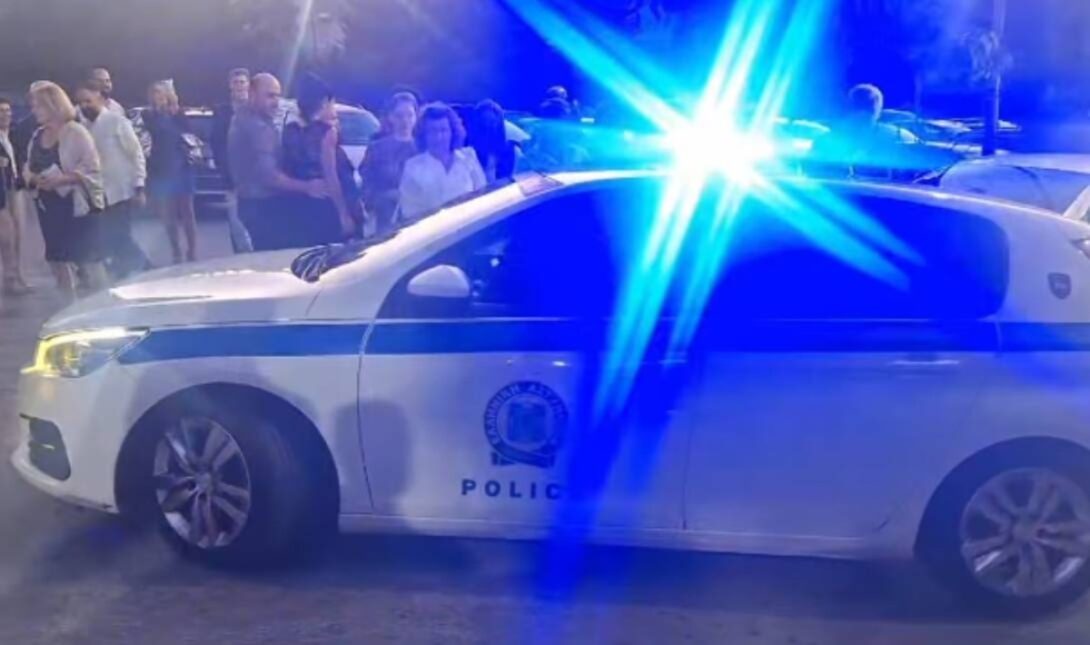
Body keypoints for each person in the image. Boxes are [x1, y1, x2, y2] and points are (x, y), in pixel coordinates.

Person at [23, 81, 107, 297]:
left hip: (77, 207)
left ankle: (102, 304)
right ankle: (68, 306)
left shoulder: (76, 132)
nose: (34, 110)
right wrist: (34, 179)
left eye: (38, 106)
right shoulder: (37, 135)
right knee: (57, 259)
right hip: (49, 208)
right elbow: (28, 166)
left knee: (87, 260)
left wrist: (63, 179)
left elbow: (92, 168)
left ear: (53, 105)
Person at [228, 72, 328, 251]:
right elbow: (270, 177)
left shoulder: (244, 118)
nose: (276, 102)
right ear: (252, 95)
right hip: (262, 207)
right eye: (270, 96)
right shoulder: (257, 127)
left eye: (278, 96)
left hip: (250, 204)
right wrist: (308, 186)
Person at [75, 81, 149, 279]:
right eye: (80, 102)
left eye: (88, 101)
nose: (84, 106)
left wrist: (139, 185)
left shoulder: (117, 121)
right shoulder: (82, 127)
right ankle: (129, 269)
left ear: (99, 97)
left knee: (120, 234)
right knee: (110, 235)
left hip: (120, 189)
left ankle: (143, 268)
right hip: (97, 192)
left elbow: (136, 153)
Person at [281, 74, 356, 246]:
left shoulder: (290, 131)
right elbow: (331, 176)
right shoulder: (326, 132)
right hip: (325, 205)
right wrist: (343, 213)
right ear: (323, 102)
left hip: (298, 204)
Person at [399, 103, 486, 220]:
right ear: (423, 135)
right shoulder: (412, 167)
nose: (439, 137)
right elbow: (409, 212)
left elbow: (483, 195)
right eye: (432, 131)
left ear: (452, 132)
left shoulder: (468, 157)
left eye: (443, 130)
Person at [144, 80, 197, 263]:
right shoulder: (149, 116)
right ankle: (176, 251)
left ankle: (192, 251)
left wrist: (176, 111)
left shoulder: (178, 114)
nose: (157, 97)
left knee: (187, 211)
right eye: (154, 94)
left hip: (182, 168)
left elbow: (190, 135)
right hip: (161, 170)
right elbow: (147, 138)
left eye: (160, 93)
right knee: (169, 214)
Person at [359, 91, 418, 236]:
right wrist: (384, 197)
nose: (405, 121)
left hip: (419, 218)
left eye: (409, 115)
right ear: (390, 117)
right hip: (386, 222)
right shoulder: (377, 149)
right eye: (399, 116)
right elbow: (366, 186)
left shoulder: (423, 148)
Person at [211, 68, 254, 253]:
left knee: (255, 219)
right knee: (236, 222)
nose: (239, 86)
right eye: (236, 83)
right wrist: (224, 169)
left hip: (256, 176)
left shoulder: (256, 109)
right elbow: (216, 142)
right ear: (230, 86)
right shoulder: (222, 112)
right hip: (231, 177)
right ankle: (241, 257)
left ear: (249, 85)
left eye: (242, 82)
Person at [0, 97, 30, 295]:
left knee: (19, 232)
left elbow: (21, 157)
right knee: (6, 236)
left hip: (15, 187)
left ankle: (17, 275)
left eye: (8, 111)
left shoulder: (14, 134)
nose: (6, 115)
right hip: (1, 190)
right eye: (1, 111)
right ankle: (10, 277)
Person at [467, 99, 519, 184]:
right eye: (484, 123)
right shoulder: (468, 153)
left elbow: (509, 179)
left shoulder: (510, 150)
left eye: (493, 123)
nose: (489, 128)